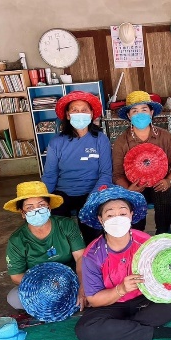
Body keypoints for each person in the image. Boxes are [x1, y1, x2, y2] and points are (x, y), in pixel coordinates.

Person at [74, 185, 171, 340]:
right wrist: (121, 289)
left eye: (122, 213)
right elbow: (94, 300)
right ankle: (152, 331)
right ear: (101, 220)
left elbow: (162, 276)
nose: (117, 218)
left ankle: (122, 329)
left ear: (131, 215)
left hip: (144, 299)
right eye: (110, 215)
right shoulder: (92, 255)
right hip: (110, 305)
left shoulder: (146, 243)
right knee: (85, 330)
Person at [3, 181, 86, 310]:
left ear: (49, 207)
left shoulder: (66, 225)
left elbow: (81, 257)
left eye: (41, 205)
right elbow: (16, 276)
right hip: (39, 285)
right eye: (30, 207)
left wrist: (82, 285)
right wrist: (47, 286)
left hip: (72, 279)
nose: (36, 211)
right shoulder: (17, 240)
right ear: (22, 213)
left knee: (93, 289)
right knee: (14, 299)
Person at [42, 91, 112, 244]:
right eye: (74, 110)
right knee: (57, 228)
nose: (79, 113)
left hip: (91, 191)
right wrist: (43, 198)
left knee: (91, 229)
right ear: (67, 115)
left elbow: (106, 173)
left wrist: (94, 197)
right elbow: (50, 175)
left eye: (84, 110)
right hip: (63, 192)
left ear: (91, 114)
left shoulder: (101, 140)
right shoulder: (56, 142)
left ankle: (91, 257)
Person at [112, 90, 171, 234]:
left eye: (144, 109)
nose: (140, 114)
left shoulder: (164, 137)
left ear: (151, 113)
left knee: (165, 192)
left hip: (161, 183)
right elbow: (117, 174)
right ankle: (137, 235)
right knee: (134, 206)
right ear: (129, 115)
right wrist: (129, 189)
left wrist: (169, 180)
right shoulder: (122, 141)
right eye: (134, 111)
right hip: (134, 185)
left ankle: (163, 232)